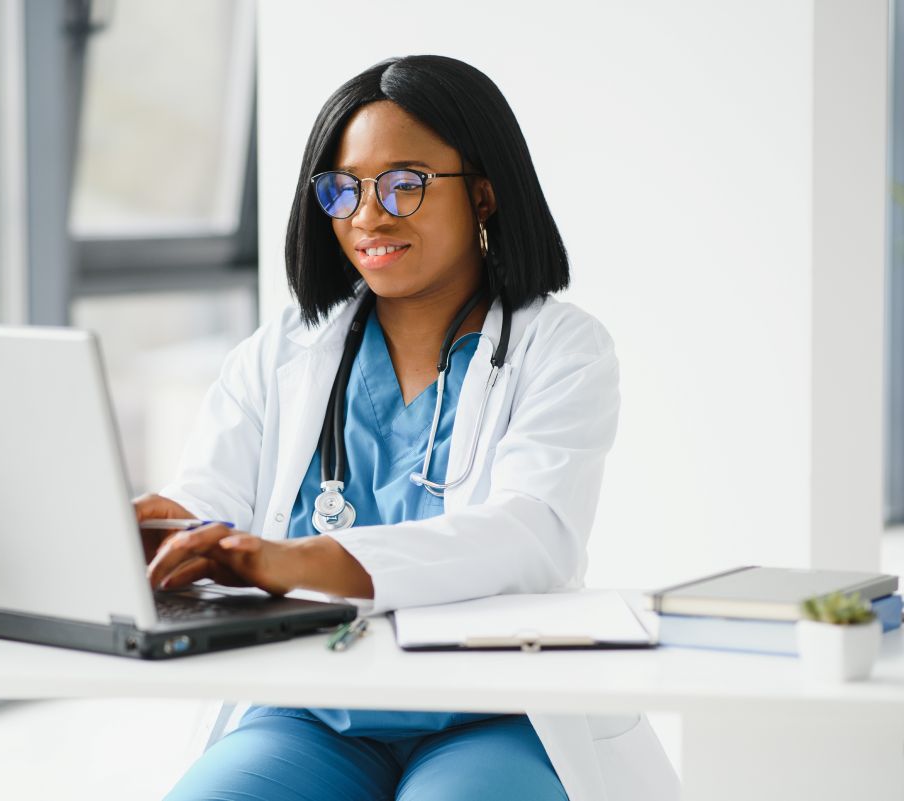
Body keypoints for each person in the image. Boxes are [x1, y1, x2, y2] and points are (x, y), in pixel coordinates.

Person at [136, 55, 679, 801]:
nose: (368, 215)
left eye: (404, 182)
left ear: (483, 194)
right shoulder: (280, 354)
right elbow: (210, 500)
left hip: (492, 710)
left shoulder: (562, 348)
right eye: (344, 188)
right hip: (309, 712)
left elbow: (533, 534)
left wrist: (300, 561)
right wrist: (165, 525)